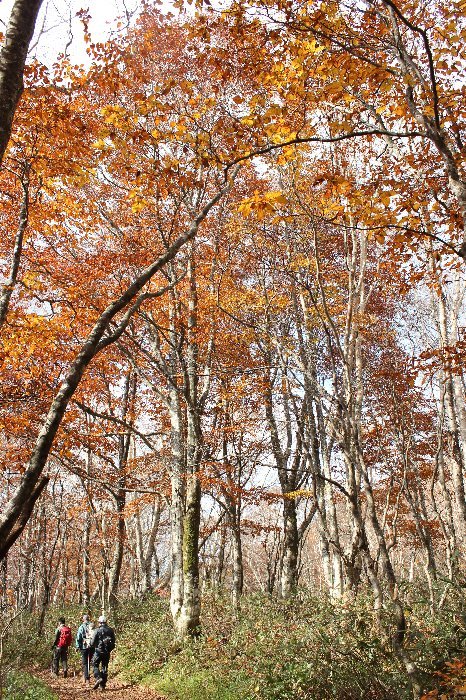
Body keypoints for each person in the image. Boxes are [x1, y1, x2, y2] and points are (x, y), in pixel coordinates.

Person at [90, 615, 116, 691]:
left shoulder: (97, 630)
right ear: (106, 622)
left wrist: (95, 646)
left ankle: (98, 678)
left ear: (99, 622)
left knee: (95, 665)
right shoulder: (111, 630)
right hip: (107, 652)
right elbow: (114, 642)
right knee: (104, 667)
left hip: (98, 651)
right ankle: (102, 686)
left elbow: (92, 643)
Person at [75, 613, 94, 684]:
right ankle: (87, 676)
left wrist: (77, 646)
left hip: (84, 647)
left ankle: (87, 678)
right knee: (89, 662)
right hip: (92, 647)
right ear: (88, 619)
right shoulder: (92, 626)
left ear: (83, 619)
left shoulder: (81, 627)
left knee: (85, 663)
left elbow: (78, 637)